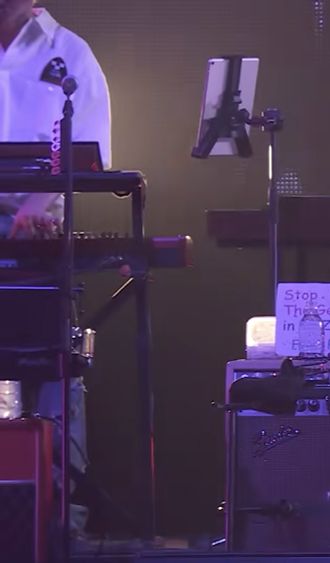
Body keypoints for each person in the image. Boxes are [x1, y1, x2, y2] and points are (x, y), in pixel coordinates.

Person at [0, 0, 112, 537]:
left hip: (38, 234)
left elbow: (90, 156)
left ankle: (62, 525)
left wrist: (33, 208)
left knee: (52, 376)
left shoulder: (68, 54)